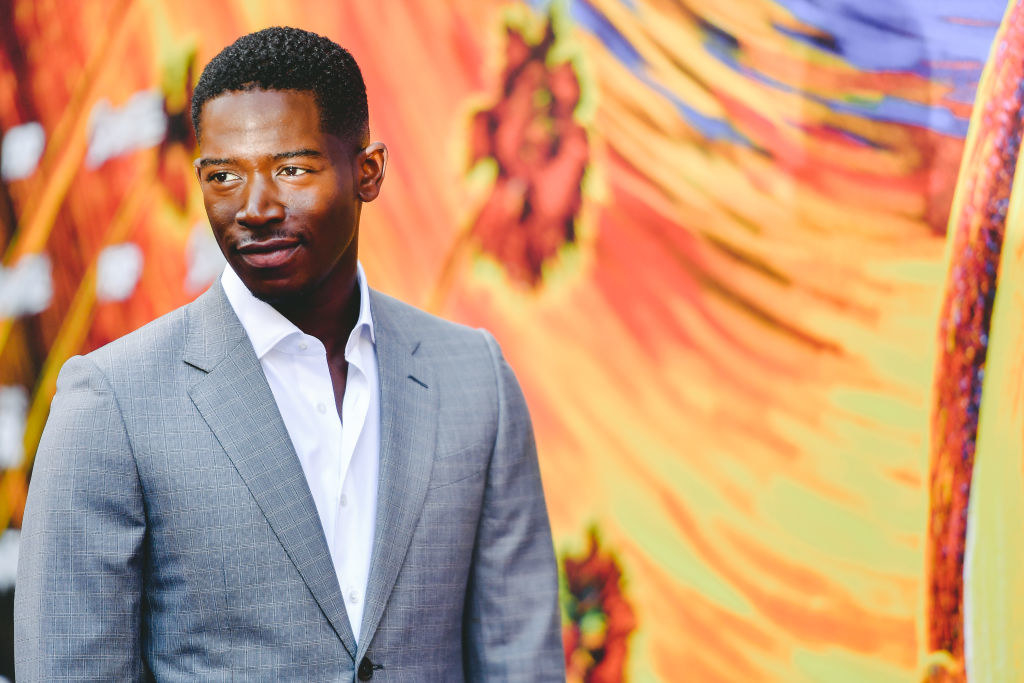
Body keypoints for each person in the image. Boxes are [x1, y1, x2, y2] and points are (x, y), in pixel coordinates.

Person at [14, 27, 564, 681]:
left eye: (292, 169)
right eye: (224, 176)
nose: (255, 208)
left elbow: (519, 660)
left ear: (369, 172)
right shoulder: (111, 402)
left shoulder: (474, 379)